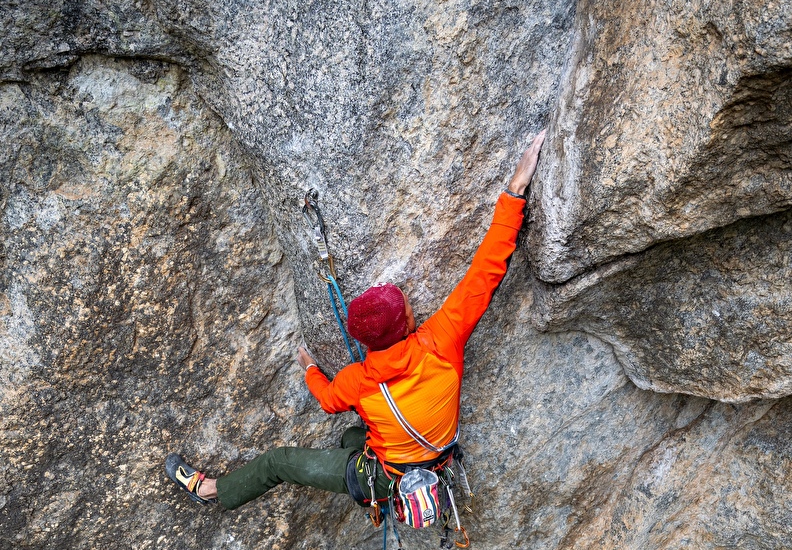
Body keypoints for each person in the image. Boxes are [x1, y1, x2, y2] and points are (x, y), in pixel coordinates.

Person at [165, 131, 546, 511]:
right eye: (407, 306)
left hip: (385, 476)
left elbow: (329, 400)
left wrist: (310, 367)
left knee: (315, 448)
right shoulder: (442, 341)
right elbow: (485, 272)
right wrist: (515, 188)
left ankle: (212, 489)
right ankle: (213, 489)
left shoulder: (357, 382)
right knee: (324, 445)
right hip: (434, 462)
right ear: (407, 324)